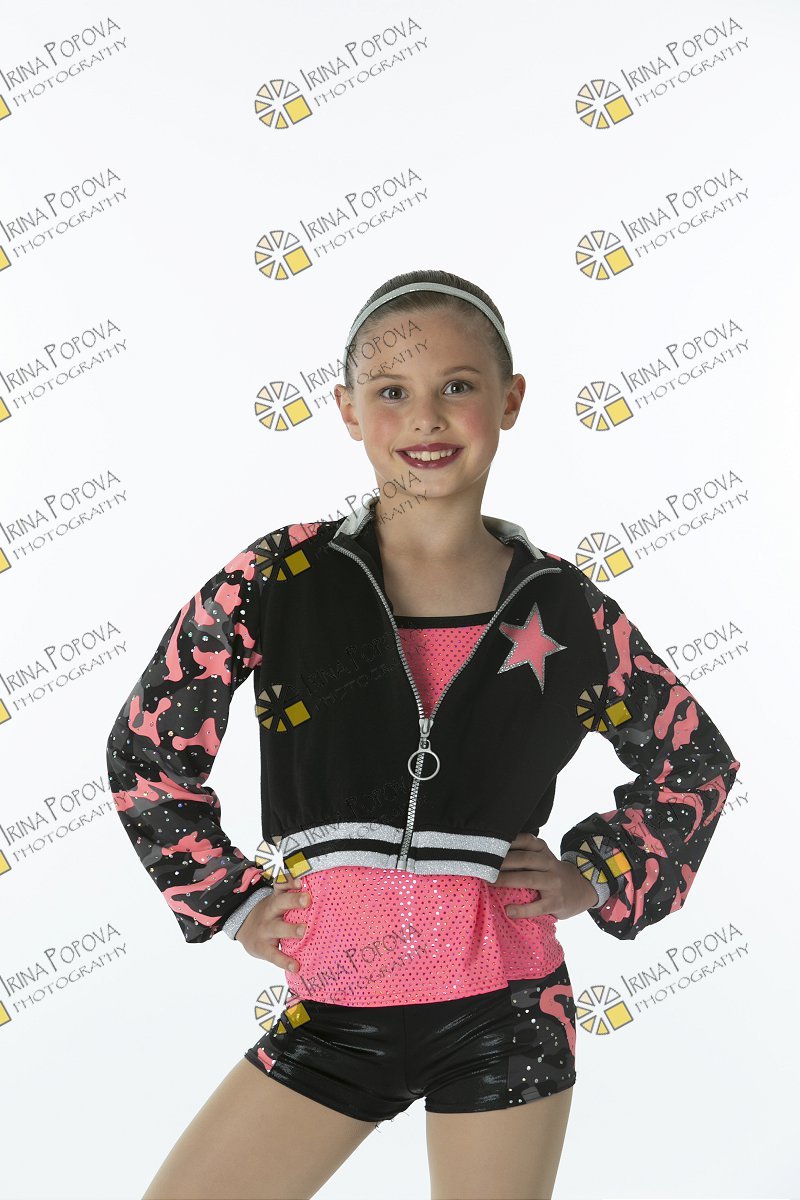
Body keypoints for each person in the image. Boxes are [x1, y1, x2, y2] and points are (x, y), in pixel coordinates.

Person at [106, 268, 740, 1200]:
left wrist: (596, 874)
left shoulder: (566, 608)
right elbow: (147, 745)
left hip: (508, 1014)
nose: (426, 418)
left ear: (510, 400)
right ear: (349, 412)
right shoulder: (280, 578)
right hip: (334, 1012)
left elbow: (695, 761)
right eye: (392, 392)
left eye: (458, 386)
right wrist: (230, 901)